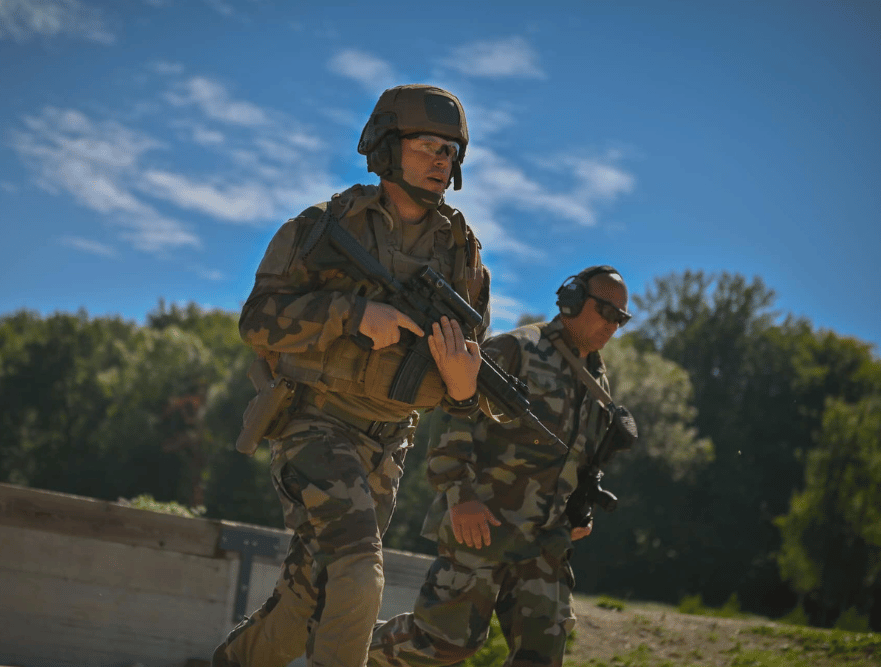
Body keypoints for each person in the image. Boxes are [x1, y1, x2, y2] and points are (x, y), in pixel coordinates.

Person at [212, 84, 492, 667]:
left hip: (390, 442)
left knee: (307, 598)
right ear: (388, 147)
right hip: (314, 422)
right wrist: (354, 315)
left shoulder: (463, 253)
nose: (443, 162)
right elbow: (257, 321)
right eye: (427, 147)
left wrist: (465, 390)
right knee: (360, 575)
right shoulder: (323, 227)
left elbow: (470, 359)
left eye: (450, 151)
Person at [367, 265, 632, 667]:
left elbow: (578, 454)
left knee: (541, 657)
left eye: (622, 318)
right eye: (608, 312)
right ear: (573, 300)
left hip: (546, 543)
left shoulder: (596, 377)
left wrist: (580, 508)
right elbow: (455, 414)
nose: (613, 326)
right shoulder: (516, 348)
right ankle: (346, 650)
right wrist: (460, 497)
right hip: (483, 525)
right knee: (443, 644)